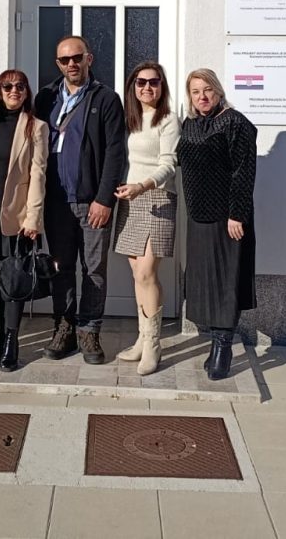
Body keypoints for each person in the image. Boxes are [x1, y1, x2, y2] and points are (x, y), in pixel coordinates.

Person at [33, 35, 126, 364]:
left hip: (91, 202)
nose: (71, 64)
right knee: (61, 267)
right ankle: (65, 328)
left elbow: (115, 152)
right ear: (57, 64)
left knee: (94, 269)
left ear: (89, 59)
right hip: (55, 201)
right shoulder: (45, 97)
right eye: (64, 60)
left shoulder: (106, 98)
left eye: (77, 57)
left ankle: (89, 330)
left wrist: (104, 199)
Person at [176, 68, 257, 382]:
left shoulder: (235, 122)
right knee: (205, 281)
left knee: (225, 280)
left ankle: (224, 346)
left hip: (227, 218)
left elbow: (243, 171)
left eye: (207, 90)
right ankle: (214, 341)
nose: (202, 97)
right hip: (198, 216)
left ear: (218, 91)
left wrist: (237, 214)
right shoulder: (190, 124)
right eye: (196, 92)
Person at [0, 69, 49, 372]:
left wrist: (33, 218)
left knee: (13, 280)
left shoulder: (36, 126)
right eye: (7, 86)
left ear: (26, 91)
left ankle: (11, 342)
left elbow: (38, 175)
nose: (13, 91)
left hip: (17, 215)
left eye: (20, 86)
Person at [112, 60, 180, 376]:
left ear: (162, 86)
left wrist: (143, 185)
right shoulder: (131, 119)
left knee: (147, 273)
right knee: (136, 273)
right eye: (141, 82)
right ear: (133, 86)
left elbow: (169, 164)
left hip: (158, 198)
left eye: (154, 82)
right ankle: (142, 339)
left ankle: (153, 345)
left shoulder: (168, 120)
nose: (147, 87)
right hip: (131, 200)